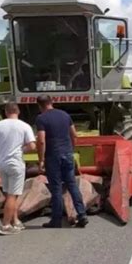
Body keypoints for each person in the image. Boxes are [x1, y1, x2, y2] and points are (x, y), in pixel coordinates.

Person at [0, 102, 36, 235]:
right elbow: (32, 146)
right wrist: (21, 149)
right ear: (18, 112)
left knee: (9, 193)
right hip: (15, 163)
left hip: (0, 164)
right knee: (13, 194)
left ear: (6, 112)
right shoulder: (24, 126)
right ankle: (5, 225)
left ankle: (15, 220)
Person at [35, 95, 88, 228]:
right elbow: (74, 135)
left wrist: (41, 160)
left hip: (53, 157)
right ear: (52, 102)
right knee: (72, 184)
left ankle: (56, 220)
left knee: (56, 188)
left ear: (39, 105)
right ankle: (82, 214)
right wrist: (71, 150)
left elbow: (41, 140)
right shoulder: (65, 115)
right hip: (67, 154)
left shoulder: (41, 118)